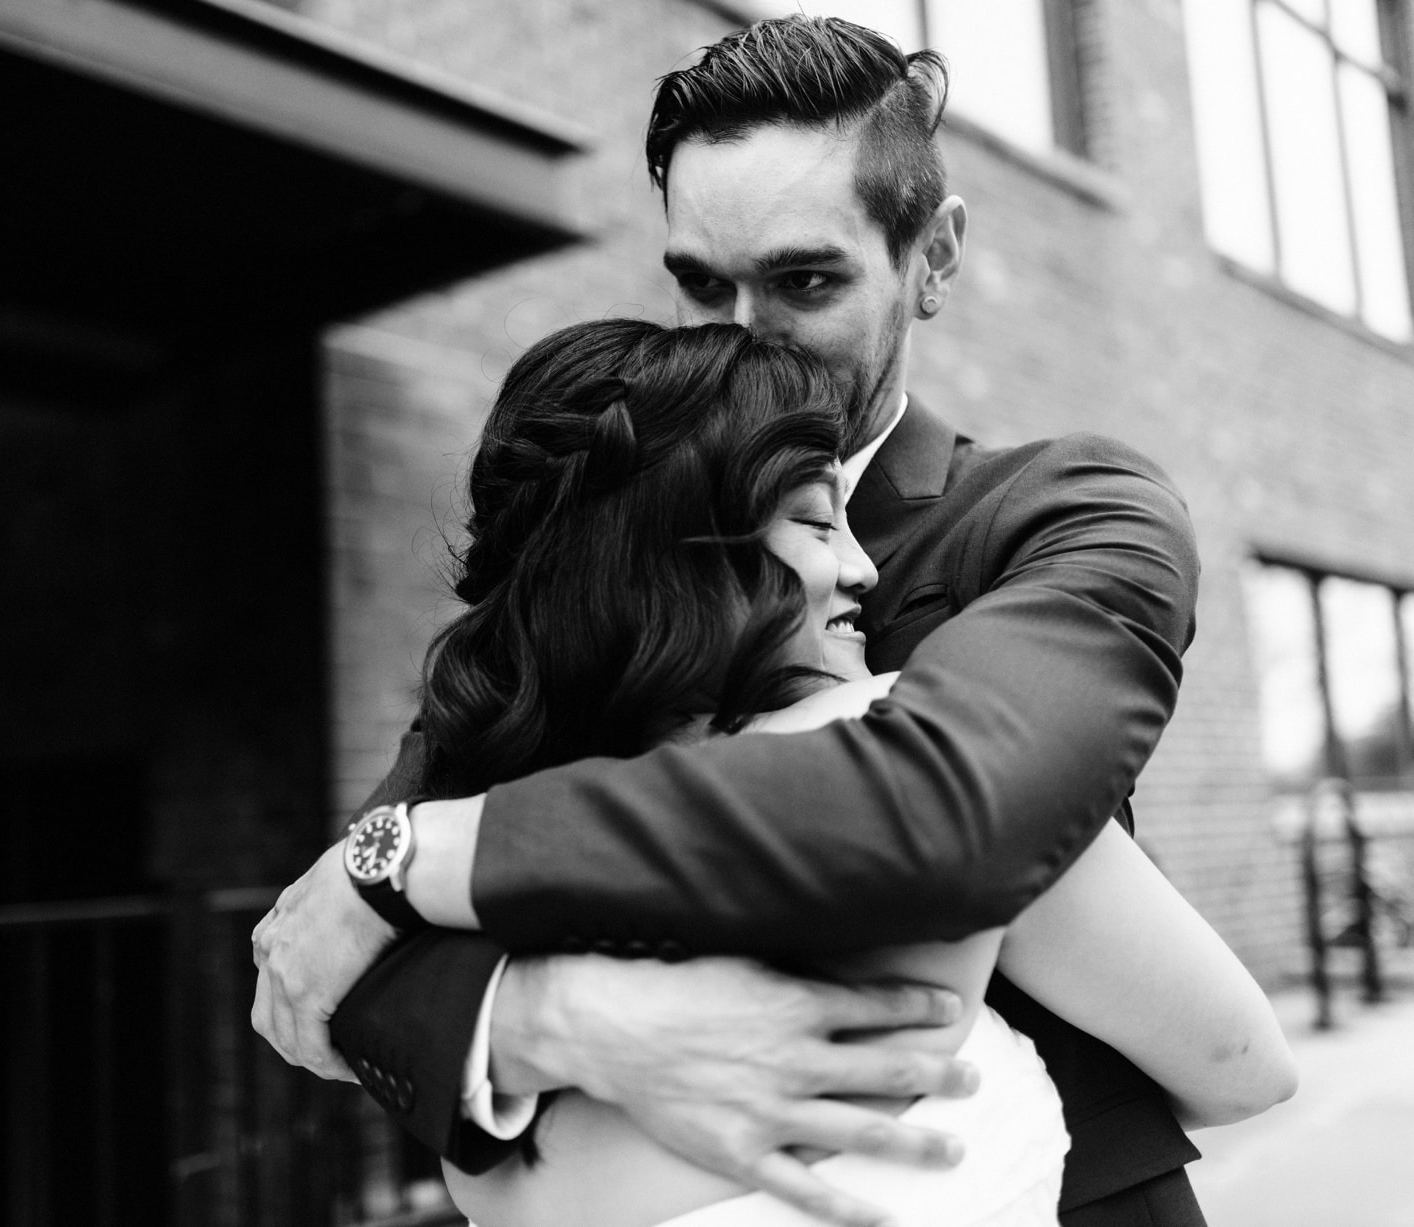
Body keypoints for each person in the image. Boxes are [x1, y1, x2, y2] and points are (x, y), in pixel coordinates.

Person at [252, 16, 1236, 1227]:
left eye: (803, 279)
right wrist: (556, 1020)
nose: (742, 330)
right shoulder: (600, 545)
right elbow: (323, 958)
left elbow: (954, 802)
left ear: (932, 258)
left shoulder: (1073, 511)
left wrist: (421, 865)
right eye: (699, 283)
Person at [359, 316, 1292, 1227]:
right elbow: (1243, 1063)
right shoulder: (910, 755)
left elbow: (492, 1181)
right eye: (815, 523)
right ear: (676, 561)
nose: (864, 568)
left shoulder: (474, 890)